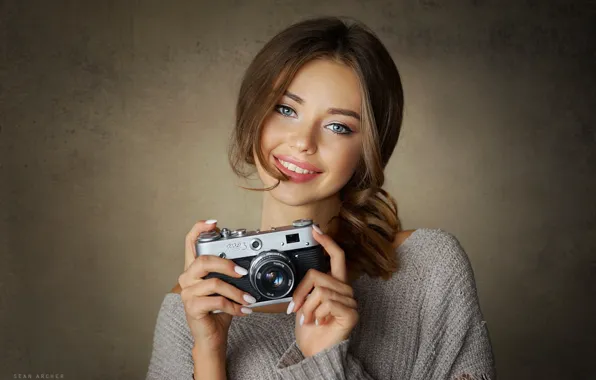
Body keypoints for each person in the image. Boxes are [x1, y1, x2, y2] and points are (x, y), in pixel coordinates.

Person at [146, 16, 495, 380]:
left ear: (370, 149)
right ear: (254, 116)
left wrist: (326, 357)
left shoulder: (428, 268)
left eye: (338, 126)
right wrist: (209, 353)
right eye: (286, 109)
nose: (303, 142)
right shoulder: (194, 303)